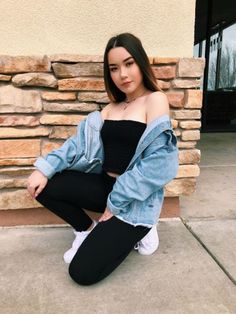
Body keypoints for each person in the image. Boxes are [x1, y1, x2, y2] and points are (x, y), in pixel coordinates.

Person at [27, 33, 179, 286]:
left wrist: (116, 202)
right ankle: (85, 231)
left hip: (134, 201)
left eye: (129, 63)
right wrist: (45, 168)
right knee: (43, 186)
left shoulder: (155, 100)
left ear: (140, 62)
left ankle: (145, 228)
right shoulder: (110, 108)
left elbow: (161, 163)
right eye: (114, 68)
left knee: (82, 273)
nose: (123, 74)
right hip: (104, 188)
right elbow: (77, 145)